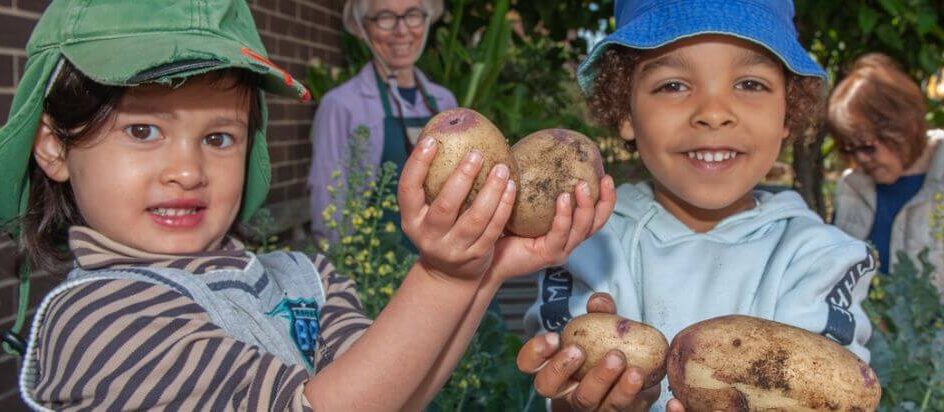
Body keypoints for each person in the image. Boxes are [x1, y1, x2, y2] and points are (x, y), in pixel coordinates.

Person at [0, 0, 614, 409]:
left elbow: (392, 393)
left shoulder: (303, 278)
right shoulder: (97, 324)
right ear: (54, 146)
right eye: (143, 131)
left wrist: (481, 271)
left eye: (218, 138)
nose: (187, 170)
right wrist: (443, 274)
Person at [516, 0, 878, 410]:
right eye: (673, 85)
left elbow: (832, 388)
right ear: (626, 112)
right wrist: (584, 400)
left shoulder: (821, 257)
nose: (713, 113)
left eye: (749, 84)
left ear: (787, 114)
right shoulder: (587, 239)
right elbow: (564, 381)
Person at [828, 53, 944, 303]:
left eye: (866, 146)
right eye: (848, 149)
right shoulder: (849, 187)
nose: (860, 159)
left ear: (902, 130)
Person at [308, 0, 458, 242]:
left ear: (427, 19)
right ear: (362, 27)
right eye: (385, 17)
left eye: (413, 15)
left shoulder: (444, 102)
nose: (401, 30)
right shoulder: (340, 105)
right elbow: (328, 202)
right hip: (371, 269)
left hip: (441, 258)